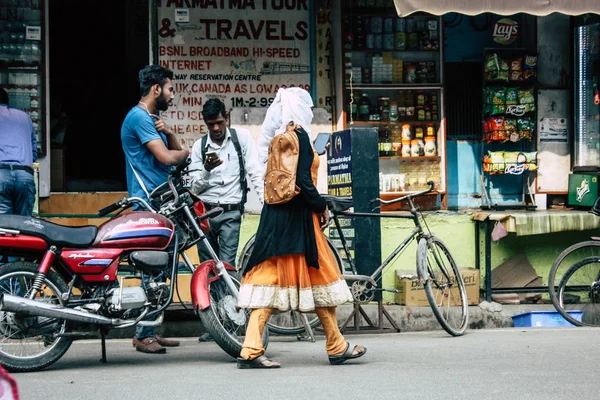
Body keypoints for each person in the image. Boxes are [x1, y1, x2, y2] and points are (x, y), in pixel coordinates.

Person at [236, 88, 367, 369]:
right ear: (301, 110)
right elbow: (306, 185)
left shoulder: (278, 139)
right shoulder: (301, 139)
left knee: (271, 279)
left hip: (275, 220)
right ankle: (334, 345)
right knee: (318, 273)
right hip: (299, 222)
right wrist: (322, 206)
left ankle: (253, 348)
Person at [121, 64, 190, 354]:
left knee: (161, 267)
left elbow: (172, 151)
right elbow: (167, 157)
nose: (173, 95)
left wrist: (172, 134)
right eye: (170, 89)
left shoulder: (152, 119)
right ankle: (143, 332)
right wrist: (186, 152)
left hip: (161, 200)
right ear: (156, 89)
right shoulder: (138, 118)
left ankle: (150, 328)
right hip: (147, 201)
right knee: (153, 266)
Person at [189, 98, 264, 267]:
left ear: (227, 118)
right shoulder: (198, 146)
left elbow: (255, 171)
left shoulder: (241, 138)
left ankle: (226, 295)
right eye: (211, 124)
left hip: (230, 212)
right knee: (207, 266)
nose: (216, 128)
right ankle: (213, 295)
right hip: (204, 214)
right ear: (205, 123)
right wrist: (206, 169)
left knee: (226, 265)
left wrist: (265, 202)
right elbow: (195, 187)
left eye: (219, 123)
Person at [0, 88, 37, 219]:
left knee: (3, 227)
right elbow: (33, 152)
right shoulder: (25, 117)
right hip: (25, 175)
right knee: (25, 224)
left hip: (1, 175)